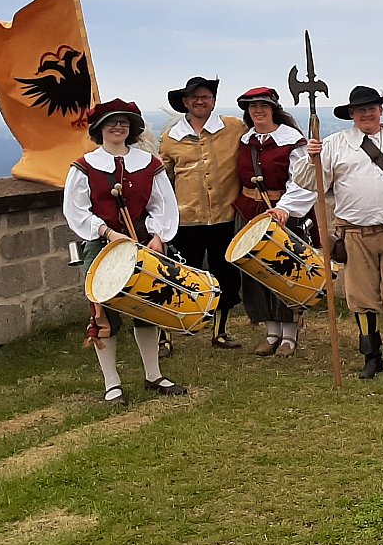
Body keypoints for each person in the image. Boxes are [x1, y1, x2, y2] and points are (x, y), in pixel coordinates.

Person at [292, 85, 383, 380]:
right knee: (361, 297)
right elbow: (309, 182)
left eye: (371, 108)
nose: (366, 114)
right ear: (352, 115)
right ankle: (372, 358)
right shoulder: (335, 144)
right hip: (354, 233)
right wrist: (311, 157)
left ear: (380, 110)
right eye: (360, 110)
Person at [64, 99, 187, 402]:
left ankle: (153, 375)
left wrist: (158, 236)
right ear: (99, 128)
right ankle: (112, 384)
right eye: (111, 122)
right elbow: (76, 210)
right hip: (102, 247)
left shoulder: (149, 164)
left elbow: (162, 204)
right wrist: (107, 232)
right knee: (104, 315)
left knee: (147, 309)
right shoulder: (84, 166)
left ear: (132, 128)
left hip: (144, 245)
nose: (118, 127)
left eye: (124, 122)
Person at [159, 76, 247, 348]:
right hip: (186, 220)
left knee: (226, 275)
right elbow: (161, 179)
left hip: (225, 217)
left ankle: (220, 331)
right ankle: (166, 334)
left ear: (214, 101)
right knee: (180, 276)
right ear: (185, 102)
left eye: (205, 97)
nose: (200, 101)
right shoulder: (171, 138)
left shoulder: (234, 128)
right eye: (195, 97)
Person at [231, 87, 317, 356]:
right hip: (249, 212)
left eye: (263, 106)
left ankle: (289, 335)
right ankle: (271, 332)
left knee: (284, 271)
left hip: (282, 213)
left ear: (273, 110)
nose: (258, 111)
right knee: (255, 272)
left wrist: (285, 209)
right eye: (253, 107)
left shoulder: (292, 141)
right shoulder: (245, 140)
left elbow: (302, 180)